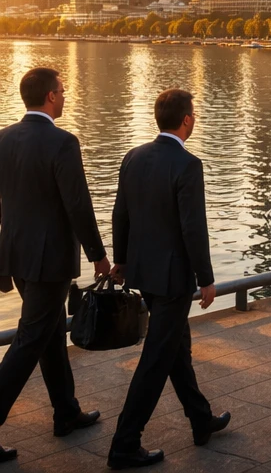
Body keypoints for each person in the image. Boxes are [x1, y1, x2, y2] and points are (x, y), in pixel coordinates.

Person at [107, 90, 229, 469]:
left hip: (144, 272)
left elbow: (120, 214)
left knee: (176, 348)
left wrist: (123, 261)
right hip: (174, 278)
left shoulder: (134, 157)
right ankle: (125, 444)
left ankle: (200, 419)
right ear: (187, 120)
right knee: (156, 359)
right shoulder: (188, 164)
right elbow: (194, 227)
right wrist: (205, 279)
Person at [0, 68, 111, 464]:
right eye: (62, 91)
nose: (65, 97)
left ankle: (66, 412)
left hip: (17, 256)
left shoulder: (4, 138)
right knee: (31, 338)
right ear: (49, 97)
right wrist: (98, 255)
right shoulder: (63, 142)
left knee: (47, 335)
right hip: (49, 261)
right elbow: (77, 204)